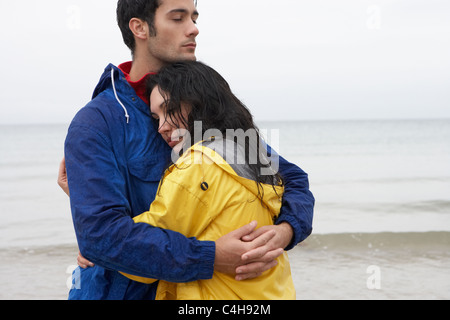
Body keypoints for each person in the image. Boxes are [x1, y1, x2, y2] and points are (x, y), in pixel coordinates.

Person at [62, 0, 314, 300]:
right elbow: (100, 237)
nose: (193, 29)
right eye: (178, 18)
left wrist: (284, 231)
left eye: (194, 17)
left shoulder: (203, 109)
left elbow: (290, 179)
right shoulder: (96, 122)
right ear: (139, 27)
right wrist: (210, 257)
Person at [120, 60, 296, 300]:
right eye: (155, 117)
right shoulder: (250, 153)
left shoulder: (197, 166)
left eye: (169, 109)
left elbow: (141, 254)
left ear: (200, 102)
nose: (161, 127)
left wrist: (100, 246)